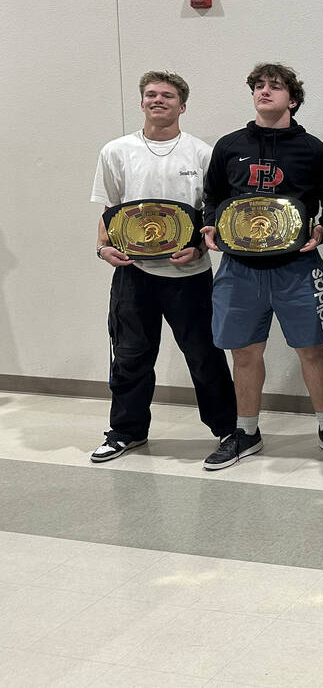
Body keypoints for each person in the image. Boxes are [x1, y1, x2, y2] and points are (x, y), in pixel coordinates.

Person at [200, 63, 323, 470]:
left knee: (312, 349)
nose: (264, 91)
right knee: (244, 352)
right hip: (239, 267)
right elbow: (212, 196)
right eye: (258, 86)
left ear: (293, 100)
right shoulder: (229, 146)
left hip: (297, 267)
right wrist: (210, 223)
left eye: (275, 86)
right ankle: (246, 432)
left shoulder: (315, 150)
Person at [90, 71, 237, 462]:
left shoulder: (203, 154)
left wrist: (201, 250)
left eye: (167, 96)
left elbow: (213, 213)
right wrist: (102, 248)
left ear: (182, 106)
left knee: (205, 355)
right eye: (151, 94)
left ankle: (228, 430)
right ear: (141, 102)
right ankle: (127, 431)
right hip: (133, 273)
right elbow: (110, 209)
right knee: (130, 356)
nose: (158, 100)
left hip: (189, 275)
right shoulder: (116, 151)